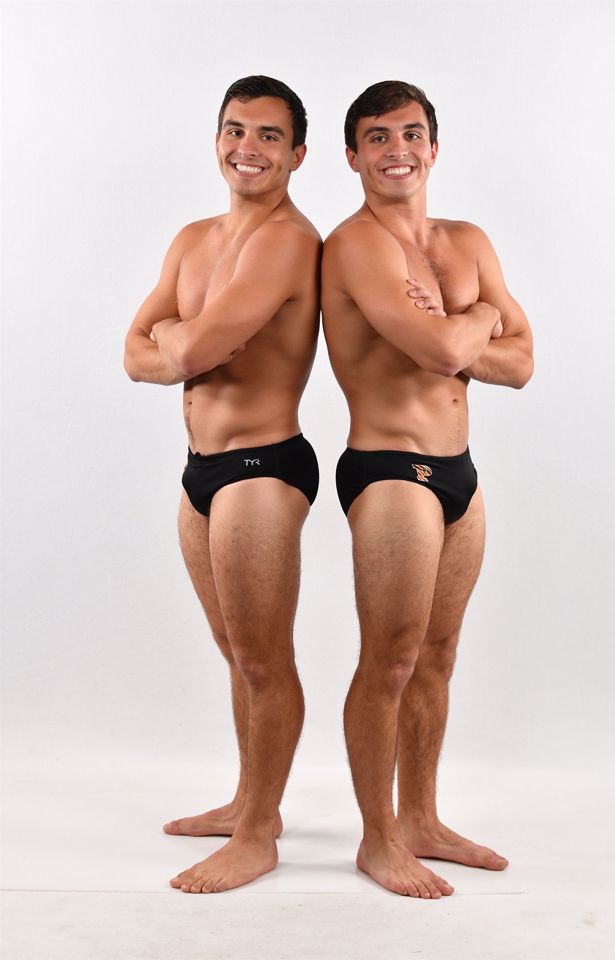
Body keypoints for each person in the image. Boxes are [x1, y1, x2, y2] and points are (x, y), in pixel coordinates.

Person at [321, 80, 533, 899]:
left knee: (438, 657)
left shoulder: (467, 241)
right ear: (352, 157)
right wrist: (475, 324)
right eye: (377, 137)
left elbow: (522, 362)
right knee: (393, 660)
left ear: (434, 148)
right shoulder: (355, 245)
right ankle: (378, 839)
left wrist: (456, 324)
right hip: (389, 471)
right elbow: (445, 353)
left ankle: (420, 817)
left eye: (411, 134)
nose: (397, 149)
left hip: (459, 474)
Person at [123, 75, 322, 894]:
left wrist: (179, 341)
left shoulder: (288, 241)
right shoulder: (192, 238)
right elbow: (135, 351)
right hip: (201, 470)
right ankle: (252, 804)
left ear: (298, 154)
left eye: (270, 135)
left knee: (263, 659)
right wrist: (182, 341)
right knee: (236, 653)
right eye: (236, 129)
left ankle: (256, 836)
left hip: (261, 468)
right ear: (216, 139)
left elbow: (190, 352)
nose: (249, 147)